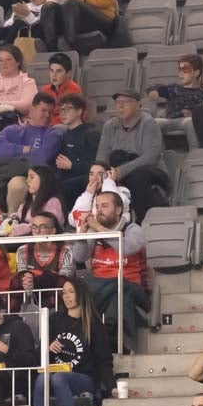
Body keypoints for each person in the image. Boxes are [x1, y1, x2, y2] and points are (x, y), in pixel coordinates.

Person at [71, 189, 150, 343]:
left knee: (121, 285)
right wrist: (82, 234)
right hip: (103, 292)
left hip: (135, 290)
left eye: (105, 206)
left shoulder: (132, 229)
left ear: (119, 210)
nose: (99, 210)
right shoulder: (95, 231)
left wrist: (100, 230)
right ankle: (114, 336)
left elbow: (126, 248)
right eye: (98, 206)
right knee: (117, 293)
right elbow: (79, 256)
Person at [40, 278, 112, 406]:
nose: (66, 296)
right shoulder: (55, 319)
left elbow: (104, 360)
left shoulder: (94, 325)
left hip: (84, 377)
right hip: (56, 373)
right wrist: (48, 347)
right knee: (42, 379)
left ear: (81, 294)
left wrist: (111, 386)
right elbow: (39, 350)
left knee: (59, 378)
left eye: (71, 292)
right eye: (64, 293)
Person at [95, 89, 168, 223]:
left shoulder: (149, 123)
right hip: (119, 170)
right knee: (95, 176)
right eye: (118, 103)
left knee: (137, 176)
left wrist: (120, 171)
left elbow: (150, 158)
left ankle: (144, 221)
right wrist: (100, 174)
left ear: (138, 105)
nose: (120, 106)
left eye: (126, 102)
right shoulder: (109, 126)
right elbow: (101, 157)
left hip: (151, 171)